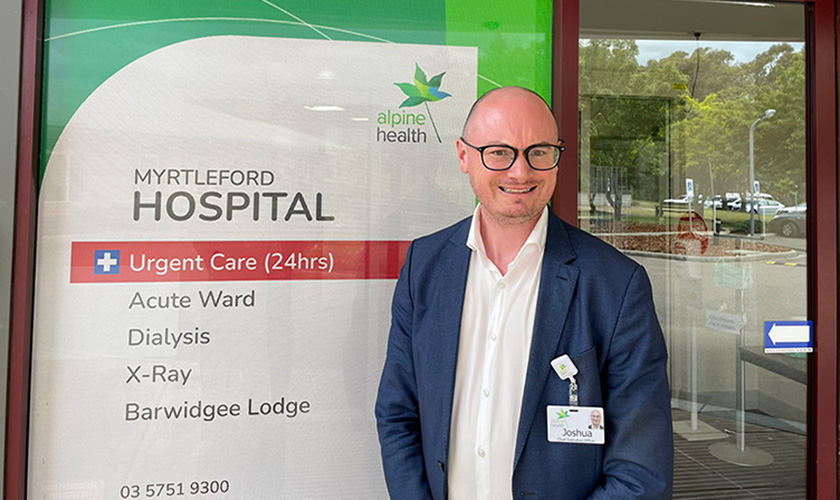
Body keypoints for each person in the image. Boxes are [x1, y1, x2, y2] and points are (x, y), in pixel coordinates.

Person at [375, 86, 672, 500]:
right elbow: (397, 414)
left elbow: (640, 471)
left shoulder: (616, 285)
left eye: (539, 151)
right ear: (464, 156)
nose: (521, 172)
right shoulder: (424, 266)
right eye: (499, 152)